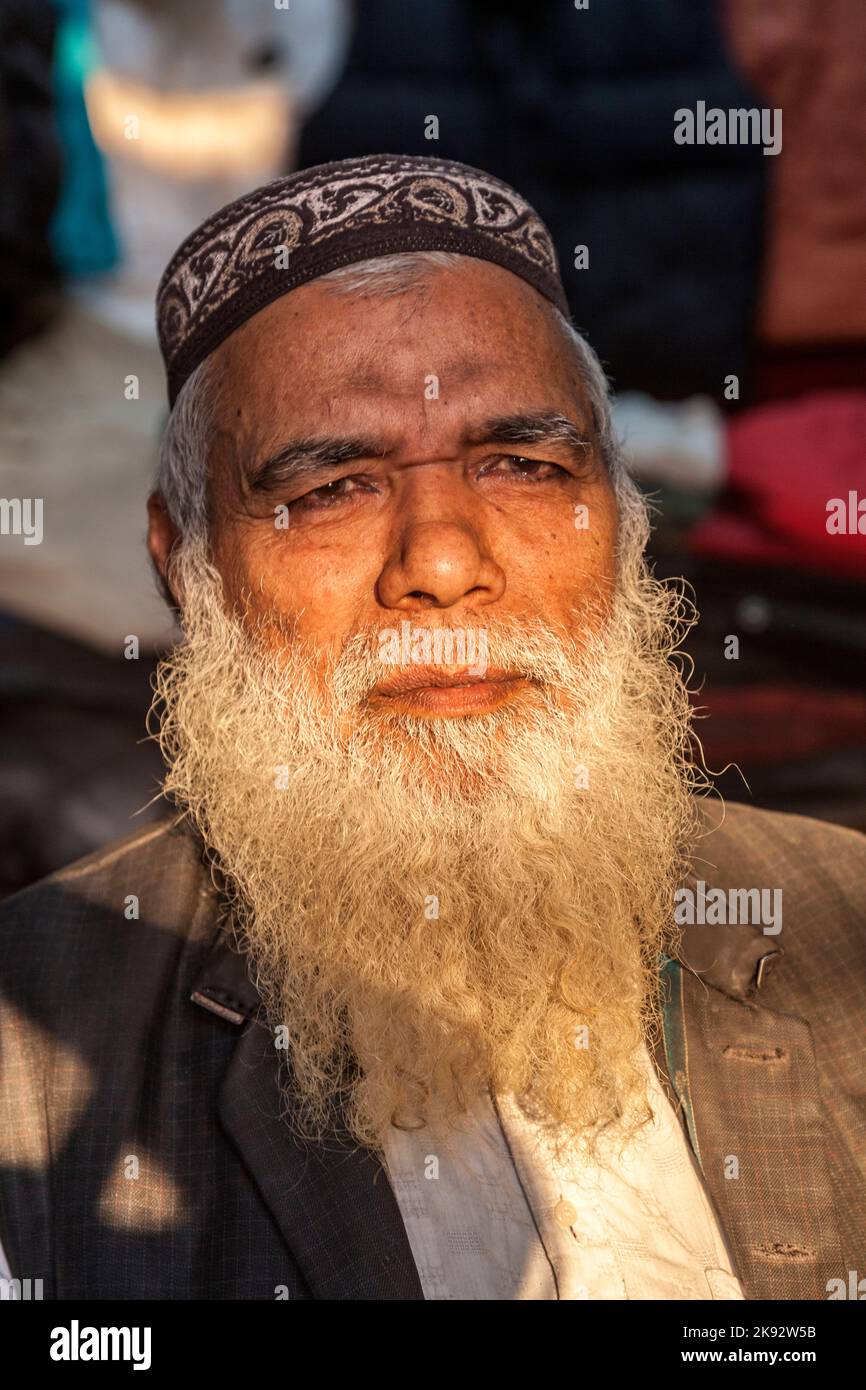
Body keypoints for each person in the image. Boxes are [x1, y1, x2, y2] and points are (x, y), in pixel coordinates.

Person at [1, 154, 864, 1301]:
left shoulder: (836, 920)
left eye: (520, 464)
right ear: (185, 560)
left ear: (621, 517)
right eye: (332, 489)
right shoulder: (36, 1044)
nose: (445, 564)